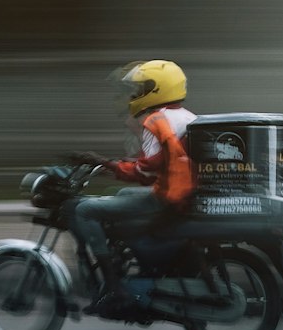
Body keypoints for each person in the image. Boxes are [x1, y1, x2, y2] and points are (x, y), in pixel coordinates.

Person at [71, 58, 196, 314]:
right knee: (122, 195)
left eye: (140, 89)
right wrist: (120, 167)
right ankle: (131, 257)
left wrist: (108, 165)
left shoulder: (155, 121)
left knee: (85, 210)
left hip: (165, 198)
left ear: (157, 90)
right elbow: (161, 163)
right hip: (181, 192)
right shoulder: (185, 116)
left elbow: (146, 169)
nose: (134, 95)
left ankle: (115, 289)